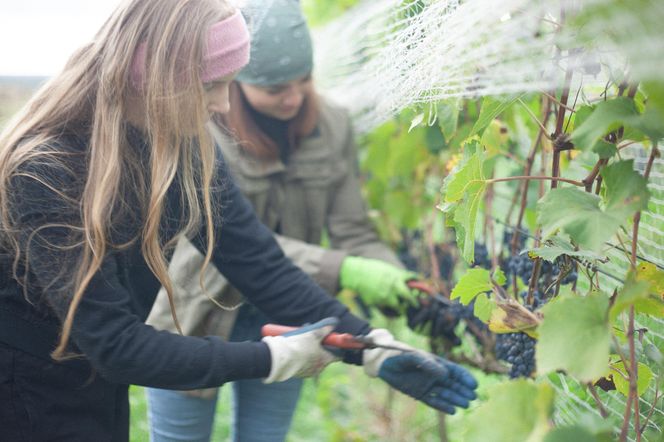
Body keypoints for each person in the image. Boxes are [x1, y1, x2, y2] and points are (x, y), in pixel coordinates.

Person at [0, 1, 478, 441]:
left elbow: (259, 263)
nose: (224, 105)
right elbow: (117, 344)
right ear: (152, 74)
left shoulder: (181, 149)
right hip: (25, 392)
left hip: (94, 385)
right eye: (210, 84)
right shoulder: (47, 170)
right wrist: (270, 359)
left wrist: (370, 347)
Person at [145, 2, 432, 441]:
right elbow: (243, 245)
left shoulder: (332, 125)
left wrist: (393, 275)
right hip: (194, 316)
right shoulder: (203, 130)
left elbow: (352, 228)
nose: (293, 97)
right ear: (238, 78)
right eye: (277, 87)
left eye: (303, 81)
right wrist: (346, 270)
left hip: (292, 317)